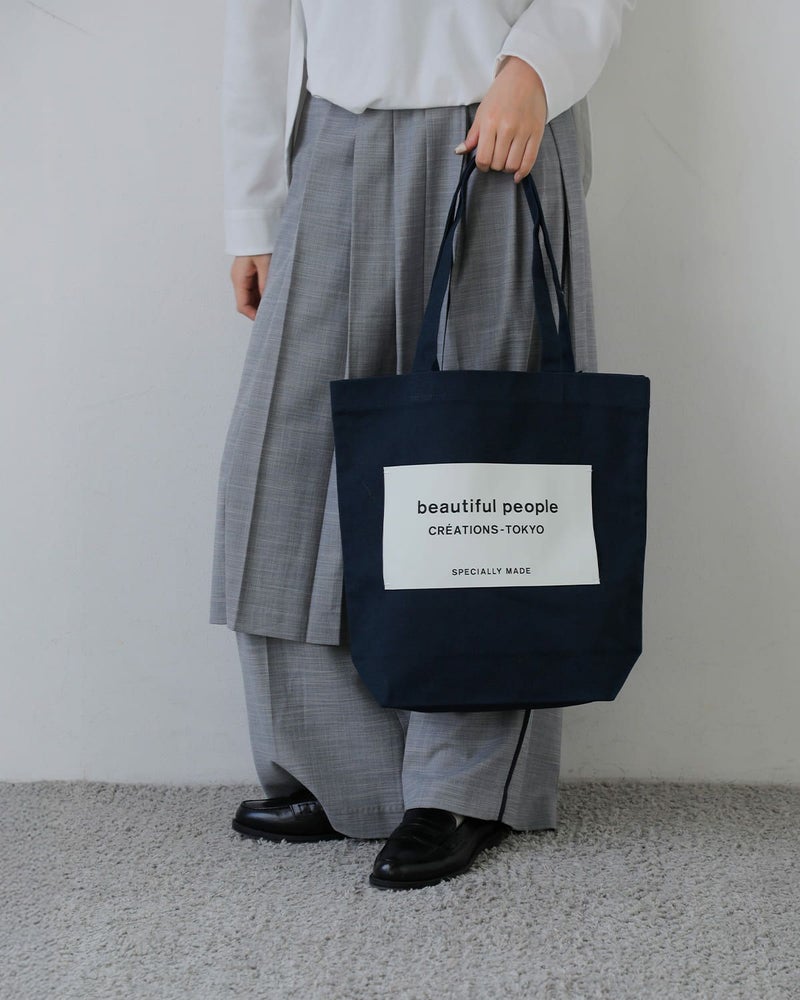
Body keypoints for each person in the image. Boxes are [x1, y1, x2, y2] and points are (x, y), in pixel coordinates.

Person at [210, 0, 635, 890]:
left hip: (499, 122)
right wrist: (252, 208)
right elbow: (257, 18)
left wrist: (536, 68)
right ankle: (341, 771)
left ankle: (458, 787)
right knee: (290, 466)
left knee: (485, 469)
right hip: (335, 132)